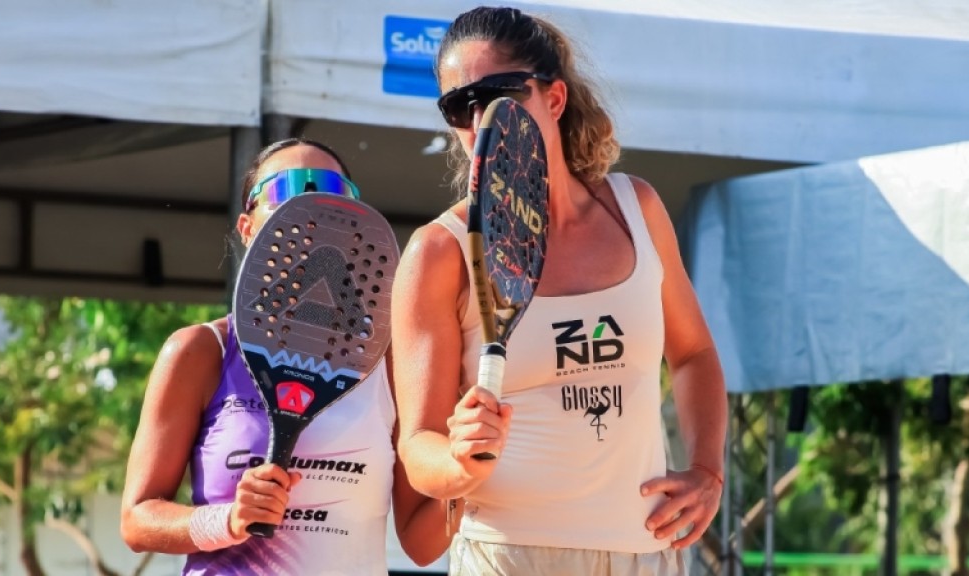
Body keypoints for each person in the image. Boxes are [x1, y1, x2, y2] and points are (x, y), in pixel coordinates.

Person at [391, 6, 728, 575]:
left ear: (555, 98)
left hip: (645, 552)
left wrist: (708, 470)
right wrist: (459, 460)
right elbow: (418, 447)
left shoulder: (636, 209)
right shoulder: (439, 252)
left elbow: (693, 353)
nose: (480, 121)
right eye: (459, 106)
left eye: (499, 94)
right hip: (508, 554)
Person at [120, 138, 452, 575]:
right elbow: (137, 519)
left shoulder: (387, 365)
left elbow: (421, 544)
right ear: (246, 227)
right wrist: (227, 521)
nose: (308, 209)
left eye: (331, 192)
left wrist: (467, 475)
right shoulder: (201, 352)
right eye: (284, 190)